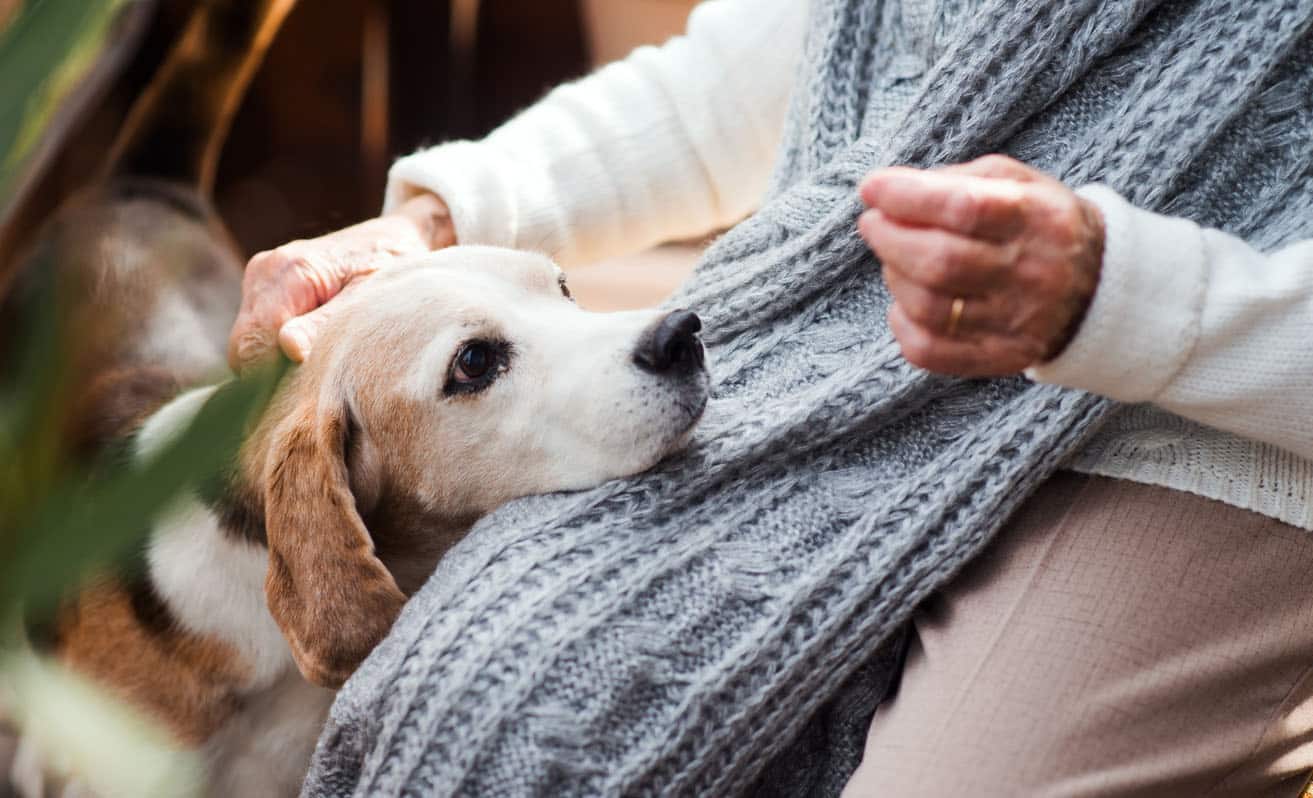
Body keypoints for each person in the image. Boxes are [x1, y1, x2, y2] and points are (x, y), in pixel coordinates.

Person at [231, 0, 1313, 795]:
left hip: (1200, 434)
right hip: (835, 365)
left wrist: (1118, 297)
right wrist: (435, 223)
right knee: (470, 706)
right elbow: (760, 73)